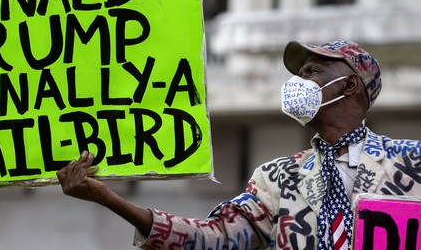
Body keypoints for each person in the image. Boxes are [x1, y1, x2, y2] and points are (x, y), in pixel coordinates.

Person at [57, 40, 421, 249]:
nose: (299, 81)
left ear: (350, 85)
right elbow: (215, 240)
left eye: (313, 71)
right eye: (299, 73)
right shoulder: (277, 178)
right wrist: (109, 200)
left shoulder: (412, 161)